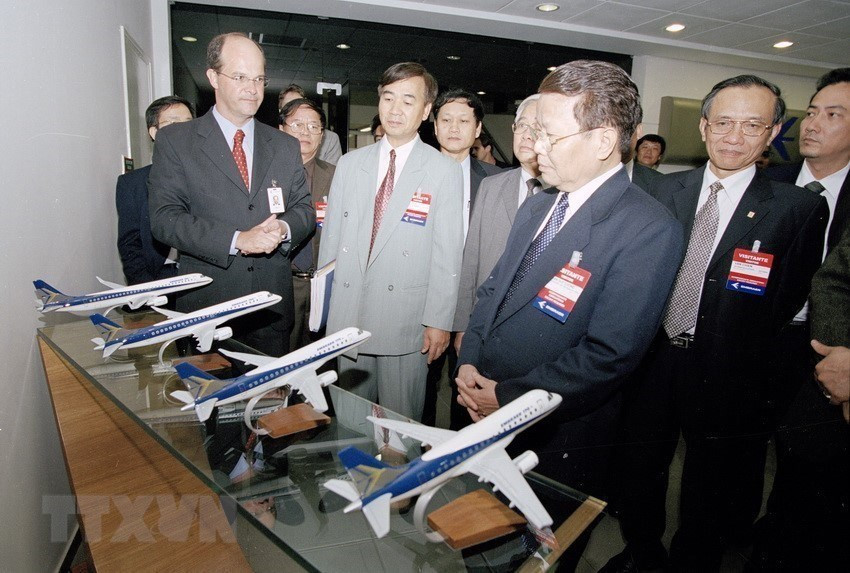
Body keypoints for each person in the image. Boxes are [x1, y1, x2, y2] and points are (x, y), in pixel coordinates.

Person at [604, 75, 828, 573]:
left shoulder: (799, 209)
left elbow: (788, 298)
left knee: (710, 482)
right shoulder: (661, 192)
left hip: (731, 371)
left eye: (752, 126)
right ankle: (641, 553)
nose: (734, 136)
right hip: (652, 358)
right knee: (640, 469)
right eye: (723, 122)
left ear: (773, 133)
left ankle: (692, 561)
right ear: (703, 127)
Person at [456, 59, 683, 500]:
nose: (535, 146)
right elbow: (493, 290)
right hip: (482, 399)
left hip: (553, 431)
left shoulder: (648, 227)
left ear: (602, 140)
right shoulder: (540, 204)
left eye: (550, 136)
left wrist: (509, 397)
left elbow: (608, 353)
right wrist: (469, 361)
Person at [149, 32, 314, 357]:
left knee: (271, 405)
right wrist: (237, 239)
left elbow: (304, 210)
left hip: (272, 311)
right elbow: (164, 219)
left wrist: (282, 229)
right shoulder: (177, 141)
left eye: (259, 78)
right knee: (209, 402)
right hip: (209, 308)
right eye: (240, 77)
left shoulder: (284, 145)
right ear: (213, 77)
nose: (252, 89)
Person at [317, 62, 463, 421]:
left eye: (408, 100)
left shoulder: (442, 170)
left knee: (400, 432)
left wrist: (439, 321)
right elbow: (331, 241)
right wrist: (325, 309)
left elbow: (448, 254)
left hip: (406, 321)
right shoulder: (351, 164)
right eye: (388, 97)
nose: (395, 109)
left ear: (426, 110)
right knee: (350, 426)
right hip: (349, 315)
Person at [753, 67, 850, 572]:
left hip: (829, 353)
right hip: (760, 342)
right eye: (812, 111)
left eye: (833, 115)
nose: (813, 124)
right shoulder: (765, 184)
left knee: (807, 466)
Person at [449, 94, 541, 429]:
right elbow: (471, 259)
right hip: (482, 332)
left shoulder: (565, 195)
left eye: (539, 127)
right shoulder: (492, 185)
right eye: (522, 126)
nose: (528, 135)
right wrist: (463, 327)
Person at [116, 96, 194, 285]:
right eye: (173, 123)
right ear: (154, 132)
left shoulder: (210, 176)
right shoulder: (132, 183)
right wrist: (146, 290)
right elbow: (130, 245)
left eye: (188, 124)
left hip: (201, 279)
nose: (183, 131)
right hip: (157, 279)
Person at [279, 98, 335, 351]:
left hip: (322, 287)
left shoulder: (338, 176)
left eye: (314, 127)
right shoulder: (265, 174)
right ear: (282, 129)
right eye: (297, 124)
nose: (306, 131)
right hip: (282, 284)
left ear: (322, 136)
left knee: (319, 364)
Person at [279, 84, 342, 165]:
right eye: (289, 107)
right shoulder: (269, 140)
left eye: (300, 104)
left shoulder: (329, 139)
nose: (297, 111)